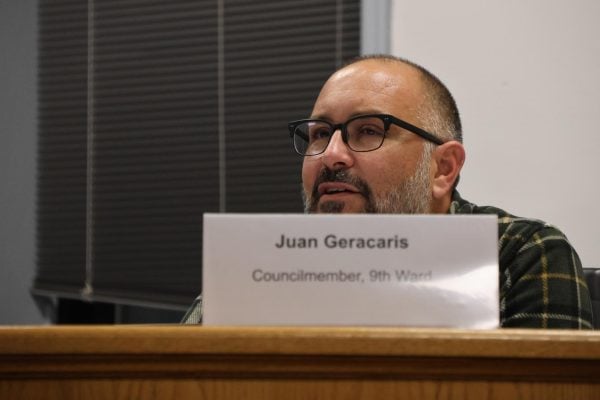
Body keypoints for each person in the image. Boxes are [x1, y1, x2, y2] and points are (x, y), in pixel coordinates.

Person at [183, 55, 593, 329]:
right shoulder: (263, 262)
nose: (332, 155)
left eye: (368, 131)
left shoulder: (520, 253)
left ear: (443, 168)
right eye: (320, 134)